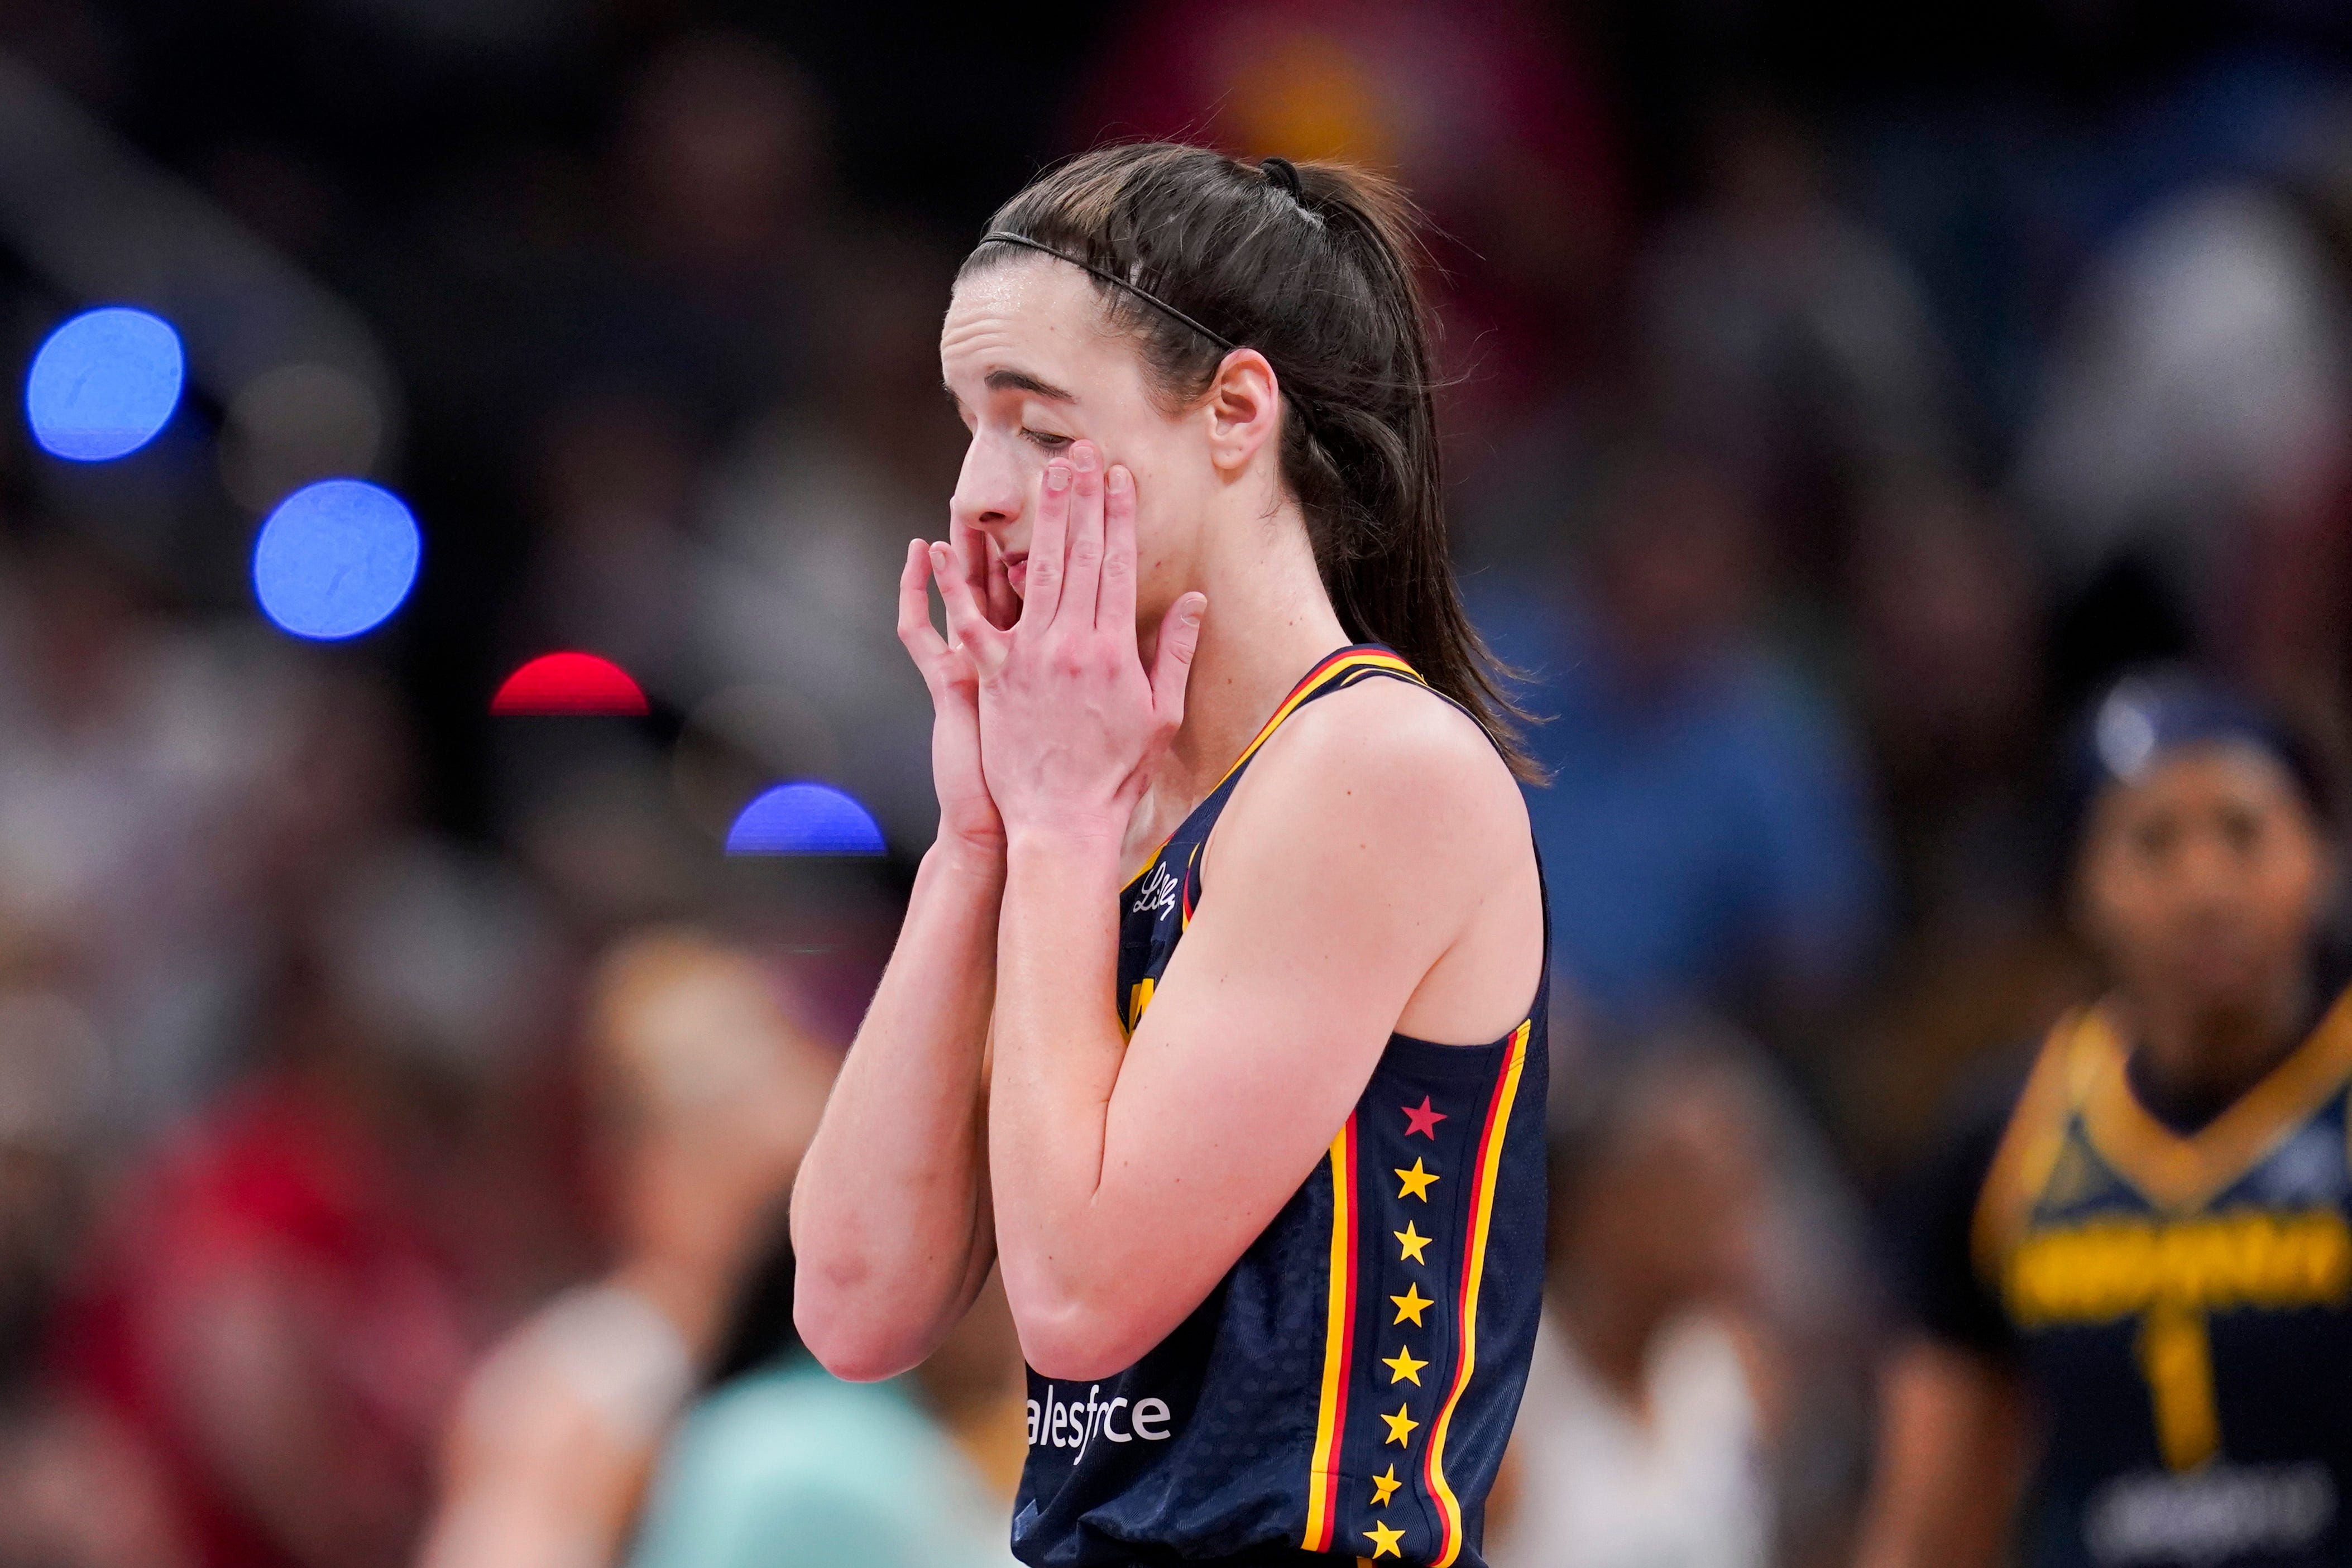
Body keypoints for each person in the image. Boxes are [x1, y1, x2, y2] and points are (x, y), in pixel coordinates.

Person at [790, 143, 1550, 1568]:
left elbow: (1078, 1303)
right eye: (964, 425)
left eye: (1040, 430)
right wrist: (977, 842)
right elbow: (853, 1304)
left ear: (1234, 410)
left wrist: (1063, 832)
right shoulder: (1084, 796)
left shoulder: (1370, 767)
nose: (972, 497)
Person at [1857, 672, 2352, 1568]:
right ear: (2083, 887)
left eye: (2243, 834)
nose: (2205, 888)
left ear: (2317, 857)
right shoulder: (2001, 1139)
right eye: (2153, 843)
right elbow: (1925, 1523)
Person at [418, 929, 836, 1568]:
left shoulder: (832, 1358)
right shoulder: (579, 1390)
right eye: (757, 1189)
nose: (786, 1229)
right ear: (646, 1166)